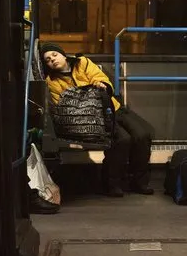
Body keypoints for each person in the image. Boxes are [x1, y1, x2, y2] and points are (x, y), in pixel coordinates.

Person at [41, 42, 154, 197]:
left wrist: (101, 85)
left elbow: (99, 77)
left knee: (142, 135)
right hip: (91, 118)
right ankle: (112, 183)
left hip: (112, 108)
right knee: (122, 140)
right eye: (47, 59)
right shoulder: (52, 82)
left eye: (54, 55)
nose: (52, 60)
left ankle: (139, 181)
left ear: (63, 55)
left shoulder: (83, 63)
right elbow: (61, 104)